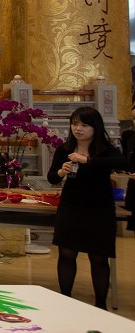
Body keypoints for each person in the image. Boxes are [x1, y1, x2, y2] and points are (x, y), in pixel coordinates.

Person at [48, 106, 123, 310]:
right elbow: (52, 177)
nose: (78, 128)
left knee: (98, 257)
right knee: (67, 254)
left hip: (99, 208)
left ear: (95, 127)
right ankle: (65, 299)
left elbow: (122, 163)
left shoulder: (105, 150)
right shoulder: (65, 149)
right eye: (74, 124)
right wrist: (61, 172)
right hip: (71, 206)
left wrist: (87, 160)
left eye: (84, 125)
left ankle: (100, 306)